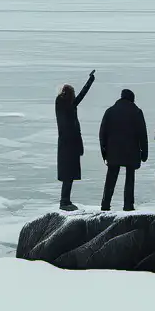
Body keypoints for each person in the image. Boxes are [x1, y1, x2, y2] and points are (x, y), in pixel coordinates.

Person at [99, 88, 148, 211]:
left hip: (113, 151)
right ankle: (128, 205)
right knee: (130, 177)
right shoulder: (137, 112)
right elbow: (142, 134)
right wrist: (144, 152)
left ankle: (105, 204)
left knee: (111, 177)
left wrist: (104, 152)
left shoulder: (110, 111)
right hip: (131, 151)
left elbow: (102, 133)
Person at [54, 69, 95, 211]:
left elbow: (81, 96)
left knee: (69, 175)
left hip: (69, 145)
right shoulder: (63, 105)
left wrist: (90, 81)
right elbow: (79, 97)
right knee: (68, 174)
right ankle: (64, 201)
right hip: (68, 145)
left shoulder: (67, 106)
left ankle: (66, 200)